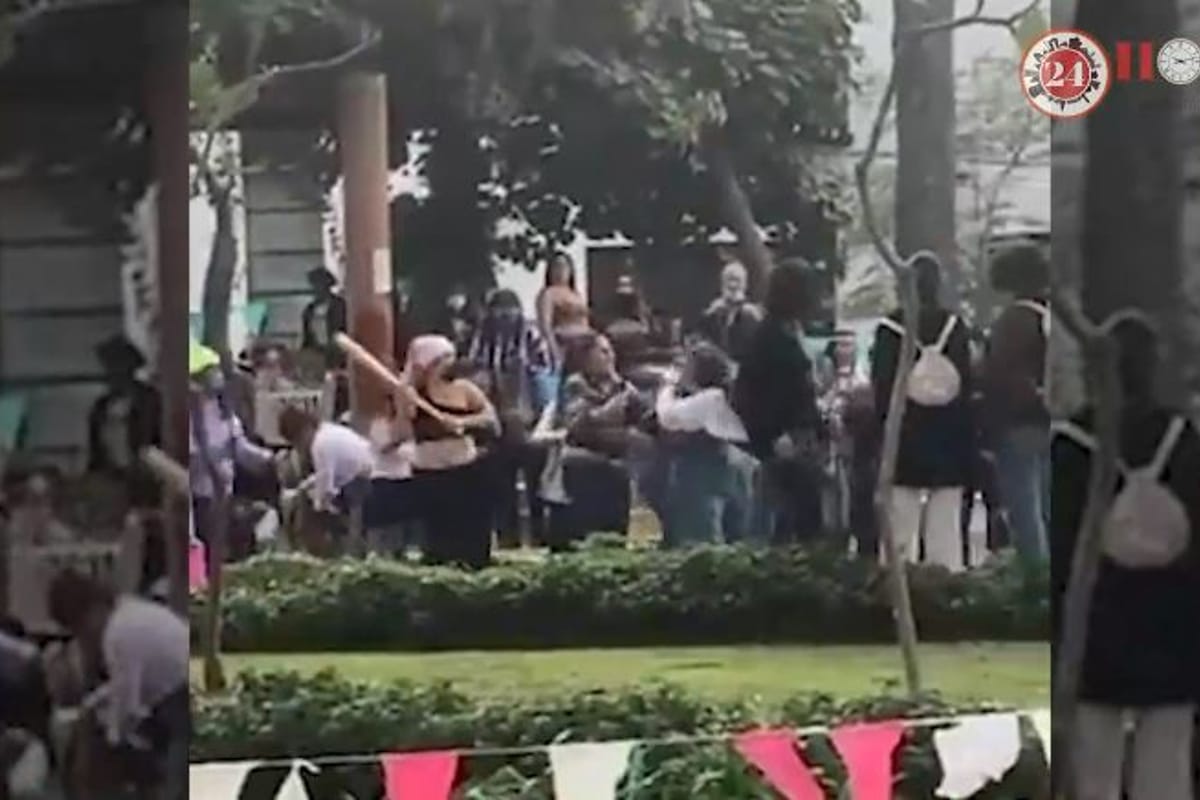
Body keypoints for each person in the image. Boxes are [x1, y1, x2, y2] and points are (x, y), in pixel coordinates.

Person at [1051, 315, 1200, 800]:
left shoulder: (1073, 442)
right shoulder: (1183, 438)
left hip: (1099, 614)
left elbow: (1064, 538)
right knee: (1168, 761)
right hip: (1172, 615)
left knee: (1094, 764)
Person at [871, 254, 973, 571]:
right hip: (948, 439)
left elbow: (882, 388)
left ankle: (897, 591)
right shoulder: (956, 326)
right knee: (946, 527)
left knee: (900, 527)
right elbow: (967, 383)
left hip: (904, 438)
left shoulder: (890, 328)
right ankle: (948, 588)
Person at [48, 571, 188, 800]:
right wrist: (93, 705)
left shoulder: (118, 634)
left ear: (90, 613)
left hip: (178, 704)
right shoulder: (132, 611)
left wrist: (106, 740)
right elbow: (122, 686)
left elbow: (127, 710)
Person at [733, 259, 825, 545]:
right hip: (781, 442)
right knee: (782, 521)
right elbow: (754, 394)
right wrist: (773, 435)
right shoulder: (768, 337)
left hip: (801, 437)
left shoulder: (789, 332)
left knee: (805, 517)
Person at [467, 290, 555, 547]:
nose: (505, 315)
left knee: (534, 483)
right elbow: (477, 371)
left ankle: (537, 536)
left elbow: (543, 374)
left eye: (510, 309)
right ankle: (508, 537)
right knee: (501, 485)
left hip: (529, 419)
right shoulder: (483, 337)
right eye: (500, 309)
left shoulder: (531, 335)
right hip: (496, 420)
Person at [404, 335, 500, 568]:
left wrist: (462, 422)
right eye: (445, 357)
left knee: (471, 532)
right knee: (439, 536)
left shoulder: (465, 389)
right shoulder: (409, 394)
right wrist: (405, 394)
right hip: (430, 471)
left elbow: (492, 420)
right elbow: (402, 426)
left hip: (464, 468)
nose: (451, 362)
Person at [983, 244, 1050, 563]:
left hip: (1017, 425)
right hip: (1050, 422)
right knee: (1048, 510)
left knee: (1025, 513)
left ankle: (1035, 582)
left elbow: (1001, 373)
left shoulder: (1012, 321)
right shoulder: (1050, 317)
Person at [555, 333, 653, 547]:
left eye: (610, 351)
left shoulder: (622, 386)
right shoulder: (575, 384)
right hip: (583, 460)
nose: (610, 356)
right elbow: (582, 423)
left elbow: (644, 416)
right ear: (585, 357)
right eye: (603, 351)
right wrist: (613, 407)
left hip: (617, 462)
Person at [655, 344, 756, 546]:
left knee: (703, 541)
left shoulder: (711, 400)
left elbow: (667, 416)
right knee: (742, 538)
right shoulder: (737, 394)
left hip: (705, 469)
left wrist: (667, 386)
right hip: (741, 464)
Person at [188, 341, 275, 574]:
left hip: (227, 495)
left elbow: (241, 449)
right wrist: (216, 456)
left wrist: (269, 459)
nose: (217, 376)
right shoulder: (188, 416)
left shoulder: (224, 413)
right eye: (211, 370)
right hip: (202, 499)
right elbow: (194, 457)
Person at [278, 407, 375, 556]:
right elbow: (323, 475)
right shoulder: (328, 431)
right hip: (359, 477)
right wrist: (303, 488)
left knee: (312, 513)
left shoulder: (320, 445)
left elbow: (326, 488)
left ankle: (322, 551)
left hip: (362, 482)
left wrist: (312, 502)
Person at [87, 335, 161, 508]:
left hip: (144, 478)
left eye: (114, 366)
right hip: (111, 478)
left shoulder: (149, 400)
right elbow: (95, 445)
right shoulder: (101, 406)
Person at [698, 250, 762, 362]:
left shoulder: (752, 315)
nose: (733, 285)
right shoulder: (712, 314)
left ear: (744, 284)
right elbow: (703, 342)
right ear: (722, 283)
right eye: (729, 279)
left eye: (737, 280)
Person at [536, 252, 590, 363]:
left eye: (565, 266)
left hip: (585, 343)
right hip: (565, 343)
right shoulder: (548, 294)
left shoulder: (576, 295)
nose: (561, 270)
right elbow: (545, 326)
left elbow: (585, 321)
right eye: (557, 266)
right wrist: (554, 351)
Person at [300, 267, 348, 365]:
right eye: (314, 285)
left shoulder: (339, 305)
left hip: (338, 353)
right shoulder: (310, 310)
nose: (316, 288)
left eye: (319, 284)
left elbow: (343, 329)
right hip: (317, 355)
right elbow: (307, 335)